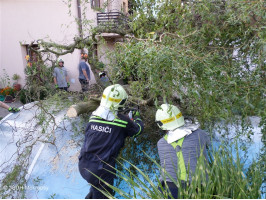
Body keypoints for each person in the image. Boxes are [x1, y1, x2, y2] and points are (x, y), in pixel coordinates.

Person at [78, 84, 144, 199]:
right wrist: (137, 117)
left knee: (96, 188)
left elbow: (107, 125)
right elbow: (137, 131)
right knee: (106, 196)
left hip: (84, 165)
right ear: (122, 102)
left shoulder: (93, 116)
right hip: (101, 170)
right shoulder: (122, 121)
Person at [156, 104, 210, 198]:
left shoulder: (160, 143)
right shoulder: (200, 135)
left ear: (160, 124)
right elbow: (208, 145)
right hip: (195, 187)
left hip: (168, 189)